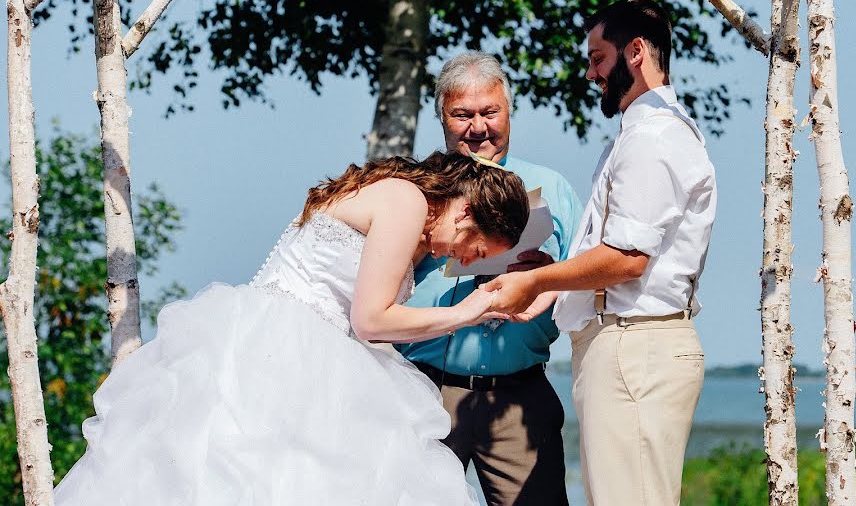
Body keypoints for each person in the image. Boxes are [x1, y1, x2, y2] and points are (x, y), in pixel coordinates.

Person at [54, 151, 531, 506]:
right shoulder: (406, 201)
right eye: (477, 249)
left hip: (291, 345)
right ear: (466, 212)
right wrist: (468, 312)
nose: (465, 262)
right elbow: (371, 320)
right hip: (287, 353)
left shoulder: (401, 200)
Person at [485, 0, 717, 505]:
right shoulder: (646, 132)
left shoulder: (652, 137)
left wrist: (536, 282)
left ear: (635, 52)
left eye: (597, 58)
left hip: (635, 347)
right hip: (629, 345)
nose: (590, 74)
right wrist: (555, 272)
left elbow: (627, 259)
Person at [395, 52, 582, 505]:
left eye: (489, 112)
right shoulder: (414, 188)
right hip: (420, 391)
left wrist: (545, 280)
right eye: (463, 115)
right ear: (441, 117)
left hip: (518, 396)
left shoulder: (552, 187)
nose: (478, 127)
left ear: (509, 112)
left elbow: (585, 280)